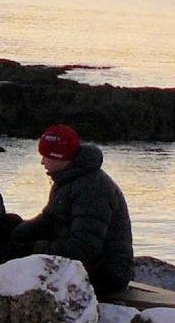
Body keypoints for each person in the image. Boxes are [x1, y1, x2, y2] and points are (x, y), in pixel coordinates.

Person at [9, 125, 135, 296]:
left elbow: (84, 247)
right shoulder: (68, 180)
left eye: (46, 156)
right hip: (87, 264)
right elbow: (49, 220)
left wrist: (33, 249)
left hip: (106, 274)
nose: (42, 162)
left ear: (59, 157)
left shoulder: (93, 189)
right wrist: (17, 232)